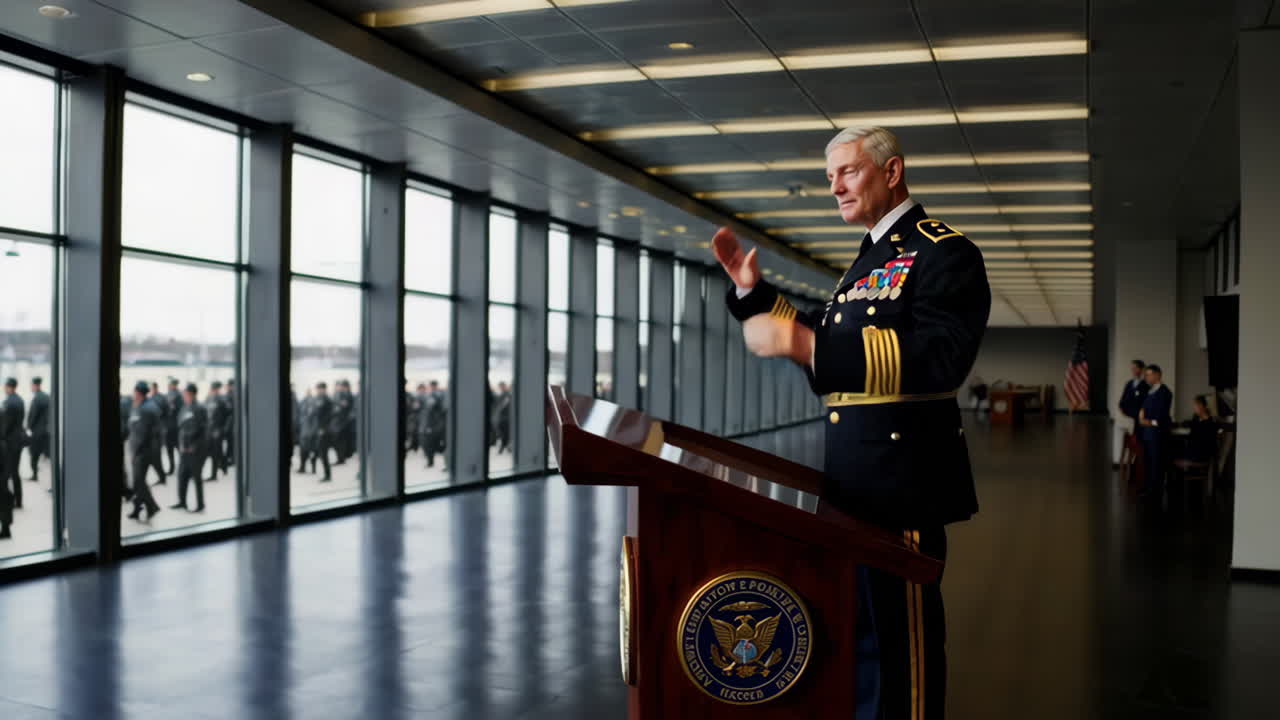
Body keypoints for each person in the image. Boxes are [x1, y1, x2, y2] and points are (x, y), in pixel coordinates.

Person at [715, 126, 990, 720]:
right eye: (829, 177)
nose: (834, 187)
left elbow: (942, 357)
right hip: (857, 486)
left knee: (904, 652)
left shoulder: (944, 251)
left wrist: (807, 349)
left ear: (892, 172)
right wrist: (756, 295)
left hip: (905, 488)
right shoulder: (872, 257)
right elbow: (827, 331)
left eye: (847, 172)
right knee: (869, 643)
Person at [125, 381, 161, 521]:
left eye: (135, 392)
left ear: (138, 393)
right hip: (139, 449)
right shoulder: (139, 406)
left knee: (138, 481)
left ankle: (152, 506)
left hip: (143, 451)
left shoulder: (145, 409)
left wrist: (135, 453)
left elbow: (143, 434)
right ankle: (138, 508)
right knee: (138, 481)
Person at [1137, 364, 1173, 502]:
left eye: (1149, 374)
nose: (1146, 377)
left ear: (1158, 375)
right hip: (1147, 433)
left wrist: (1150, 422)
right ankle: (1147, 488)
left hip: (1157, 433)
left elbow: (1161, 416)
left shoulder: (1165, 392)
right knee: (1147, 461)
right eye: (1145, 375)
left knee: (1156, 463)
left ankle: (1155, 491)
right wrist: (1142, 417)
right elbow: (1143, 409)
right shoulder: (1150, 391)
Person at [172, 383, 207, 512]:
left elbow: (199, 428)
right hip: (184, 449)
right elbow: (180, 427)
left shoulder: (199, 408)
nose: (184, 396)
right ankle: (182, 502)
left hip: (195, 449)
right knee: (182, 476)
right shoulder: (184, 408)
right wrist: (181, 444)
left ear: (191, 394)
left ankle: (200, 504)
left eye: (185, 393)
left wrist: (191, 444)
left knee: (196, 478)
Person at [1114, 359, 1148, 467]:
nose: (1133, 370)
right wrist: (1122, 409)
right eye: (1132, 368)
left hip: (1138, 419)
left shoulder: (1145, 385)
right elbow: (1122, 400)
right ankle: (1122, 462)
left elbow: (1144, 404)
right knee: (1124, 437)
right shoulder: (1129, 383)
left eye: (1135, 368)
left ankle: (1135, 463)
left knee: (1137, 443)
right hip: (1127, 417)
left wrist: (1135, 414)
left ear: (1141, 369)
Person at [1, 378, 26, 512]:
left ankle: (13, 501)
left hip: (11, 443)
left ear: (9, 387)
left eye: (5, 386)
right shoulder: (19, 400)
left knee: (9, 473)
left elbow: (6, 425)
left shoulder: (9, 402)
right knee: (14, 472)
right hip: (18, 441)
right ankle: (18, 500)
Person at [26, 377, 51, 483]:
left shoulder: (37, 398)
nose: (31, 388)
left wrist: (28, 427)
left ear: (35, 385)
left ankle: (35, 474)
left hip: (37, 431)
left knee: (33, 454)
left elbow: (33, 415)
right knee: (47, 456)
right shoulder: (46, 397)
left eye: (31, 385)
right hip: (47, 431)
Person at [205, 381, 230, 481]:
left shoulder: (221, 399)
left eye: (214, 388)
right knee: (215, 451)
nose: (212, 390)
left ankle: (214, 474)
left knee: (216, 452)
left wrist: (223, 428)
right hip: (209, 429)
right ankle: (223, 467)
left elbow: (228, 414)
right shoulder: (208, 398)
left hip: (218, 429)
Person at [422, 380, 448, 468]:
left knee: (431, 443)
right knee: (441, 444)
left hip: (435, 425)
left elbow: (430, 411)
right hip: (440, 424)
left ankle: (431, 462)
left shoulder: (433, 396)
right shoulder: (441, 395)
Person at [147, 382, 168, 485]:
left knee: (156, 457)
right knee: (155, 458)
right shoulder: (151, 399)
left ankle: (162, 477)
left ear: (155, 388)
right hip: (154, 432)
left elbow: (165, 413)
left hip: (157, 432)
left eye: (152, 388)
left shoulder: (159, 399)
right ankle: (162, 477)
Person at [163, 378, 183, 476]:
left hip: (175, 427)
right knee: (169, 449)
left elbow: (180, 412)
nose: (170, 386)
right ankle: (172, 468)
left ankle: (181, 467)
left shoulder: (179, 396)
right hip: (168, 426)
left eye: (171, 384)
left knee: (178, 448)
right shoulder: (168, 395)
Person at [494, 381, 512, 454]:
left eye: (501, 386)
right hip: (502, 418)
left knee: (505, 434)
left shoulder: (508, 395)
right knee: (504, 434)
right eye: (500, 387)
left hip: (506, 418)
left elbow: (503, 407)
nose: (500, 388)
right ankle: (506, 446)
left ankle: (503, 447)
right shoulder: (502, 395)